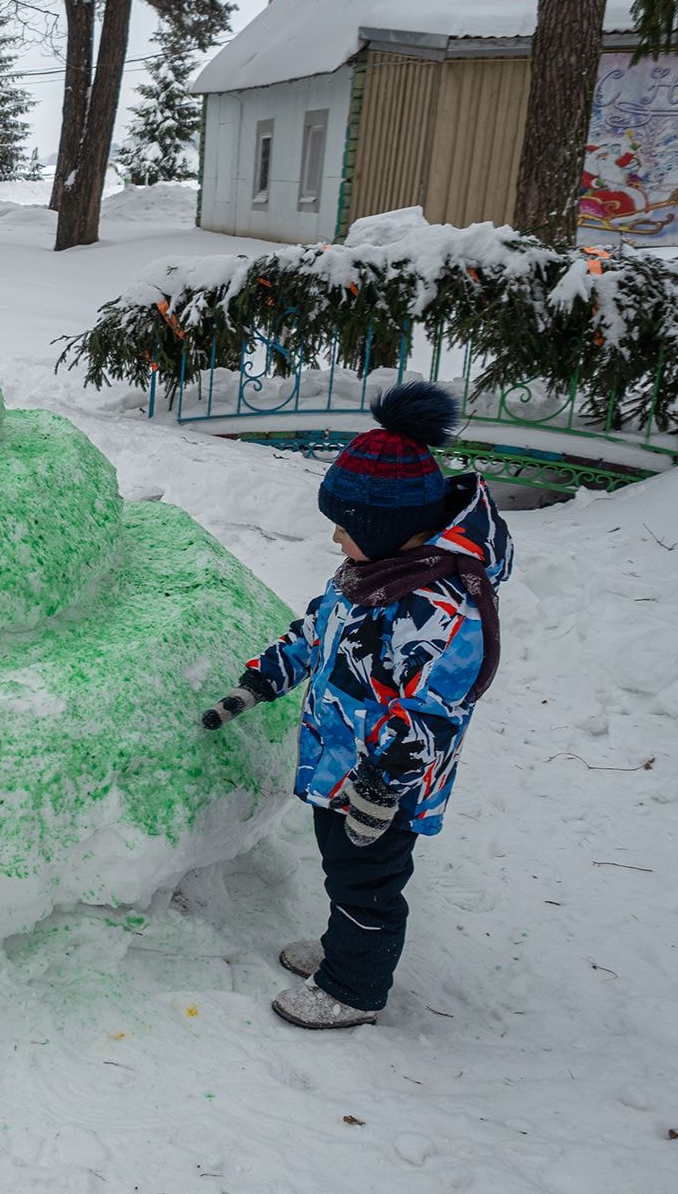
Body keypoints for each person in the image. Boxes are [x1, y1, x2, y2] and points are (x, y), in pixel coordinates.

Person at [200, 382, 513, 1029]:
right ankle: (345, 947)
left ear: (387, 528)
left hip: (382, 787)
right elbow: (319, 632)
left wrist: (377, 792)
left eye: (346, 527)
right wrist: (260, 682)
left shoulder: (446, 613)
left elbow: (431, 721)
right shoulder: (372, 573)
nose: (337, 538)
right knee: (346, 872)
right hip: (341, 762)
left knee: (368, 883)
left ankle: (354, 988)